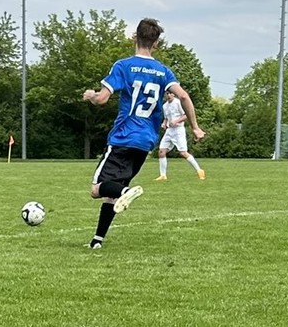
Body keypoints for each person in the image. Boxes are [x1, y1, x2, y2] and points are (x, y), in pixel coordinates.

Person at [82, 18, 205, 250]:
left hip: (123, 137)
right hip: (146, 141)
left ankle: (126, 191)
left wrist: (91, 96)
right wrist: (196, 127)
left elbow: (102, 99)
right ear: (156, 43)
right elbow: (184, 96)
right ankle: (97, 240)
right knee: (112, 195)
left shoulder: (123, 66)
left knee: (97, 189)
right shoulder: (163, 71)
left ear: (134, 37)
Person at [154, 91, 205, 181]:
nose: (168, 95)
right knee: (161, 151)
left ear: (173, 94)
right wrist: (164, 123)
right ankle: (163, 175)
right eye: (166, 94)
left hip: (178, 130)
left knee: (183, 153)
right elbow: (166, 118)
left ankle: (199, 170)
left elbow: (186, 115)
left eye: (170, 93)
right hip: (169, 131)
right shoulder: (165, 106)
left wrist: (176, 121)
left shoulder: (178, 102)